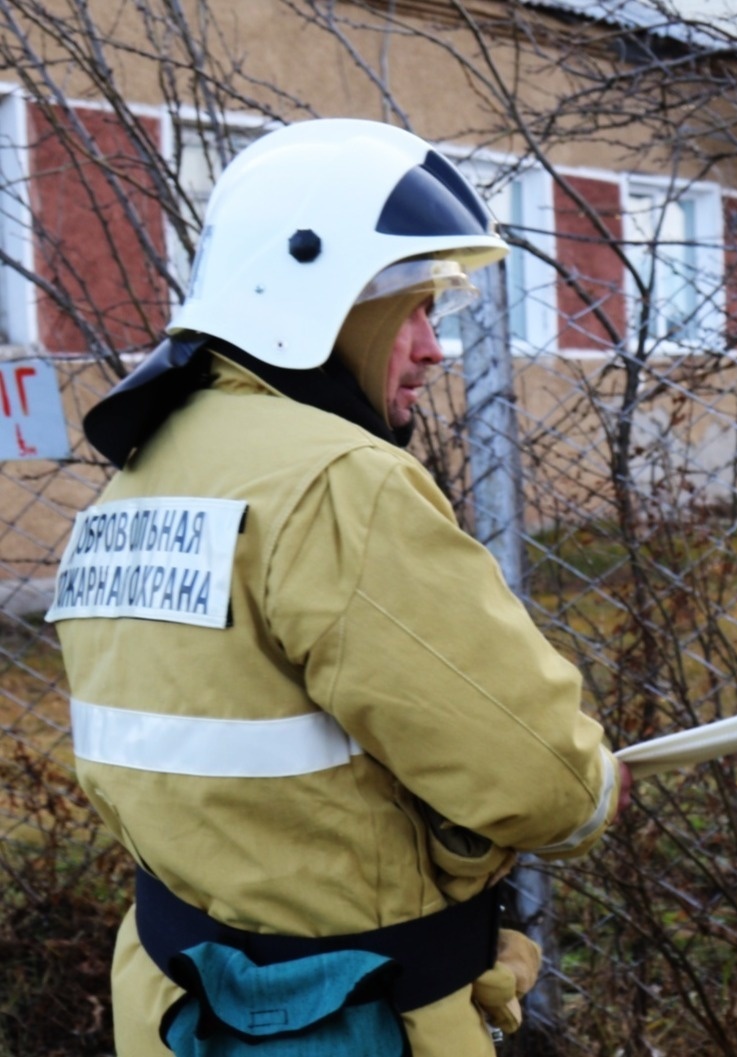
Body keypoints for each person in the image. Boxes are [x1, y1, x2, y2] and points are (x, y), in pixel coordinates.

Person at [48, 119, 628, 1056]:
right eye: (414, 310)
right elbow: (539, 779)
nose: (434, 349)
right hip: (343, 1017)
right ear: (323, 300)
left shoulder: (145, 469)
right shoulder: (335, 480)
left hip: (169, 1003)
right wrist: (595, 785)